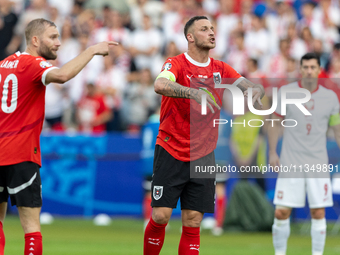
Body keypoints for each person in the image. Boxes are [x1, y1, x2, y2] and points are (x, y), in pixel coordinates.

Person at [143, 15, 265, 255]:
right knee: (160, 215)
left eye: (212, 28)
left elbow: (246, 84)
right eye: (204, 29)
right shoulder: (176, 63)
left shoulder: (220, 68)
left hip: (203, 155)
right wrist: (192, 93)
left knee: (193, 221)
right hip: (171, 149)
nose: (211, 33)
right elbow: (159, 85)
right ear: (190, 36)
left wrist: (256, 90)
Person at [0, 18, 117, 255]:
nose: (58, 43)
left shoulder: (3, 64)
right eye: (53, 37)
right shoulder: (33, 63)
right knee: (31, 227)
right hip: (21, 154)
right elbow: (63, 75)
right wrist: (92, 50)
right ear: (35, 40)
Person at [268, 52, 340, 255]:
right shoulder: (285, 92)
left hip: (318, 162)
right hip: (291, 161)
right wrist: (273, 151)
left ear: (319, 70)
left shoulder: (330, 97)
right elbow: (274, 122)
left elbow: (337, 129)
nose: (309, 71)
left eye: (313, 67)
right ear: (300, 69)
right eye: (305, 67)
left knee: (318, 212)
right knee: (281, 211)